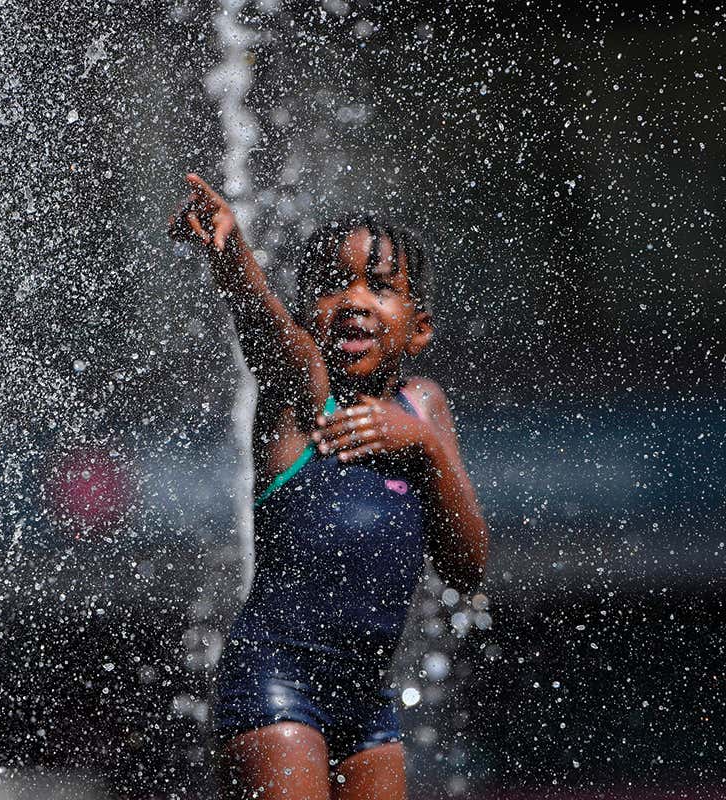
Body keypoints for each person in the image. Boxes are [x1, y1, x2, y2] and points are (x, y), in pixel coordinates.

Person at [168, 174, 489, 799]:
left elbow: (467, 568)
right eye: (334, 285)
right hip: (276, 685)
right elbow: (269, 335)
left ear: (418, 328)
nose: (354, 300)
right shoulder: (305, 396)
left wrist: (423, 444)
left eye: (380, 287)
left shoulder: (424, 409)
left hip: (369, 704)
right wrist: (234, 259)